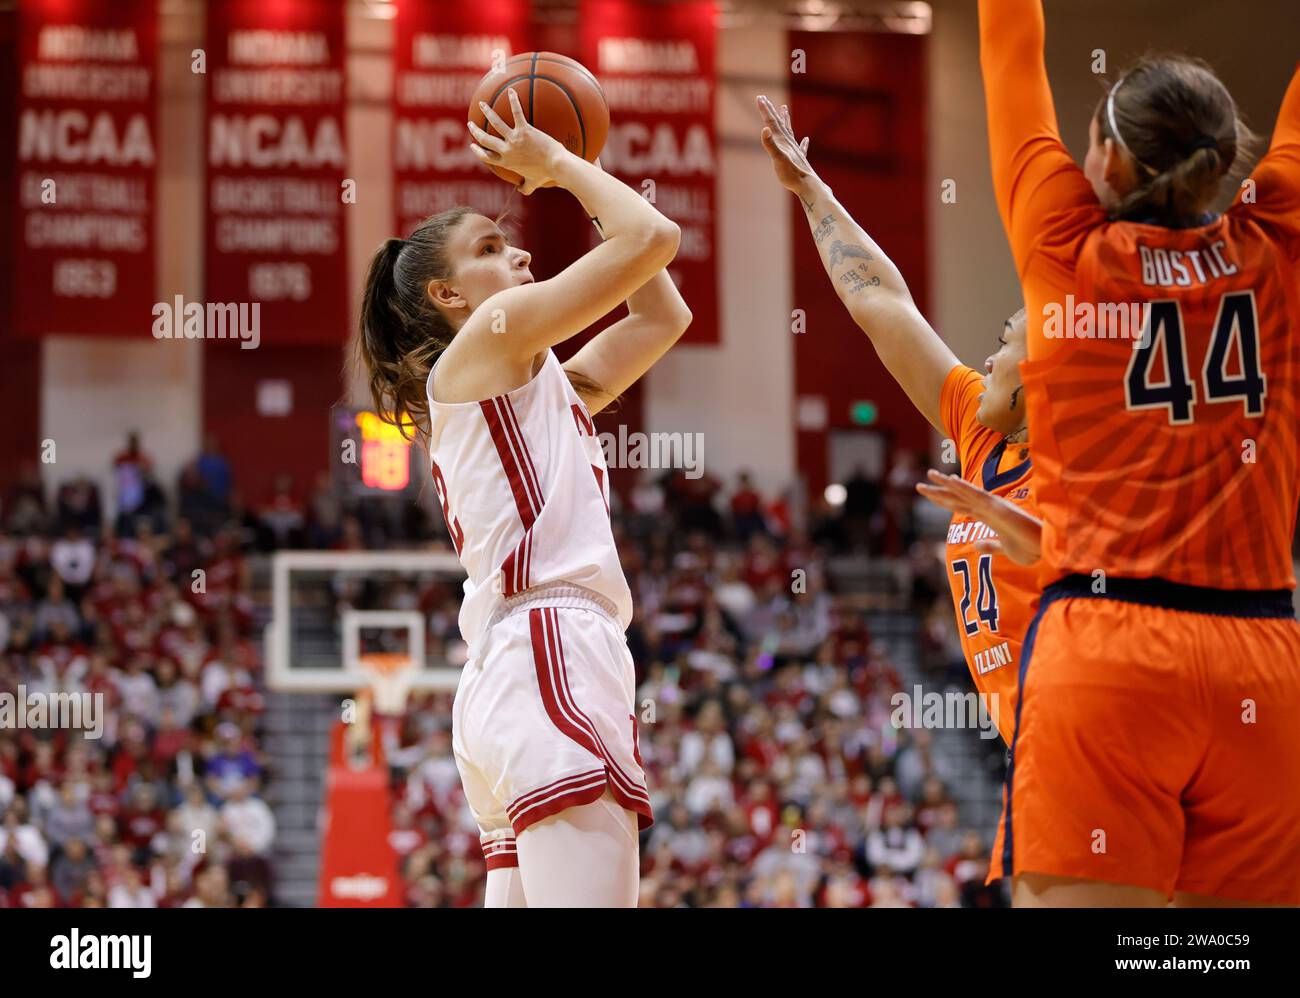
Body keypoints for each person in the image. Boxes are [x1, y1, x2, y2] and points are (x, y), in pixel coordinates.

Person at [973, 0, 1300, 907]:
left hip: (1108, 652)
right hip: (1263, 656)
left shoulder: (1062, 244)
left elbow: (1008, 41)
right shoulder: (1281, 243)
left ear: (1109, 161)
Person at [355, 88, 692, 907]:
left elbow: (662, 310)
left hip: (519, 663)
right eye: (492, 247)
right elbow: (654, 236)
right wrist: (567, 168)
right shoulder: (480, 351)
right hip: (549, 645)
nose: (521, 258)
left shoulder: (533, 380)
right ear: (448, 297)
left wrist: (585, 168)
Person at [757, 95, 1037, 746]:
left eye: (1006, 343)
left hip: (1091, 735)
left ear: (1042, 372)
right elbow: (883, 303)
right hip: (1029, 747)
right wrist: (811, 189)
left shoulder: (1085, 452)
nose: (989, 358)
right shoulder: (980, 425)